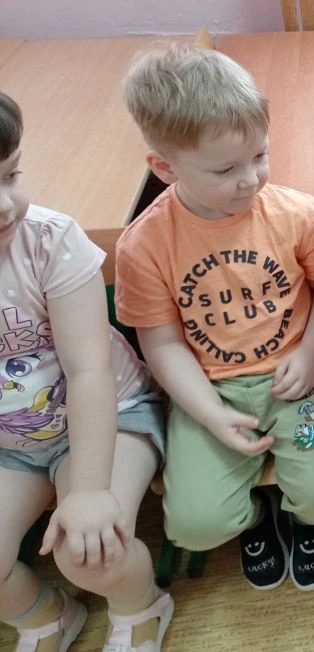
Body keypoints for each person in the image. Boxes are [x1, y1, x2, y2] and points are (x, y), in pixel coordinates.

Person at [115, 45, 314, 593]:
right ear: (164, 168)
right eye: (226, 169)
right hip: (211, 388)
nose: (251, 179)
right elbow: (161, 344)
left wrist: (309, 351)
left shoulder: (294, 213)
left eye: (260, 155)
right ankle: (256, 519)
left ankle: (304, 519)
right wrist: (207, 412)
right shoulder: (144, 245)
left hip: (305, 374)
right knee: (194, 526)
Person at [0, 92, 173, 651]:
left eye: (11, 175)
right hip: (12, 446)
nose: (5, 205)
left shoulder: (48, 241)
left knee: (91, 550)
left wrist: (90, 490)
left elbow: (89, 371)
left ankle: (140, 606)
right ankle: (43, 615)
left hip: (109, 417)